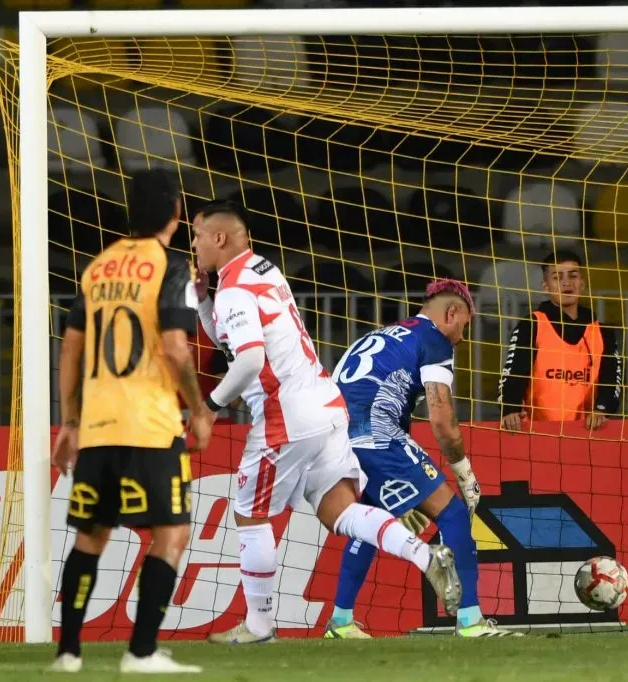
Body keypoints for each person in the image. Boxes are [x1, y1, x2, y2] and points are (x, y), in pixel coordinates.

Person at [191, 200, 462, 644]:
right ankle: (424, 554)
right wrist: (203, 300)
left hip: (285, 415)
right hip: (327, 404)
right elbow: (229, 339)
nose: (194, 244)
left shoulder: (235, 290)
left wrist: (210, 405)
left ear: (219, 237)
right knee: (341, 512)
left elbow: (248, 359)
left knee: (250, 516)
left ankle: (259, 625)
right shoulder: (264, 271)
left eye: (198, 235)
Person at [49, 169, 206, 674]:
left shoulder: (99, 267)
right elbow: (174, 347)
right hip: (151, 424)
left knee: (91, 536)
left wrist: (70, 421)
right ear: (176, 212)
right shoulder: (171, 265)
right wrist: (200, 409)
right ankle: (141, 652)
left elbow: (71, 348)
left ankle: (68, 653)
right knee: (171, 533)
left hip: (98, 426)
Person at [325, 279, 520, 638]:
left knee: (371, 519)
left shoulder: (381, 335)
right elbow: (442, 420)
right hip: (376, 434)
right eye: (465, 326)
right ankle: (470, 621)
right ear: (452, 313)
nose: (462, 337)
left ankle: (340, 621)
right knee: (454, 513)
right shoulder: (434, 340)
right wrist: (464, 473)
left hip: (334, 434)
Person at [498, 249, 622, 431]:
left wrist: (602, 409)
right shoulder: (532, 325)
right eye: (557, 277)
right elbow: (513, 371)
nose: (566, 283)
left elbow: (612, 379)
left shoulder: (603, 332)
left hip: (588, 432)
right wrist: (510, 408)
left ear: (582, 283)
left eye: (573, 276)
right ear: (546, 286)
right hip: (538, 432)